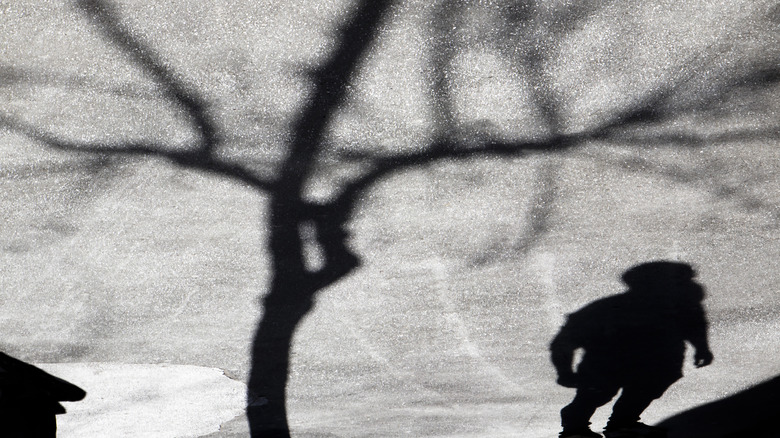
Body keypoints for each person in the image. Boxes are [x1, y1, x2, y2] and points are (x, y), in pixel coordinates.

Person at [550, 261, 713, 438]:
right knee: (596, 393)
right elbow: (564, 342)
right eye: (680, 282)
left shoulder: (684, 307)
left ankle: (621, 423)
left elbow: (695, 327)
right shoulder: (608, 308)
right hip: (608, 364)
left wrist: (702, 348)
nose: (690, 287)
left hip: (655, 364)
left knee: (642, 389)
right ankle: (576, 428)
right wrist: (564, 371)